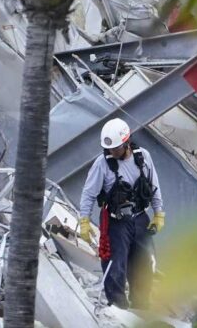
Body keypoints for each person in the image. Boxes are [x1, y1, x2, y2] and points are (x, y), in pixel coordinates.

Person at [78, 118, 165, 310]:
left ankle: (141, 305)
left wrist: (159, 213)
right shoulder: (102, 164)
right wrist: (84, 220)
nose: (112, 152)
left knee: (144, 263)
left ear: (126, 143)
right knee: (115, 265)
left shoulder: (143, 158)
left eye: (116, 148)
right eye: (109, 149)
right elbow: (88, 193)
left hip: (140, 218)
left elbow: (154, 186)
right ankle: (118, 307)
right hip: (115, 222)